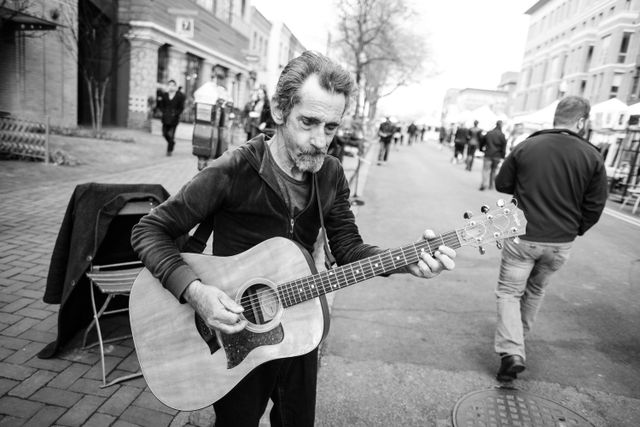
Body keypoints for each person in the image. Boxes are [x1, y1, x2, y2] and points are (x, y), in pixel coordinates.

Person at [130, 51, 456, 427]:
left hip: (300, 325)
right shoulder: (233, 170)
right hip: (233, 332)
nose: (320, 141)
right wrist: (197, 293)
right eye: (309, 122)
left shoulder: (330, 174)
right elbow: (148, 230)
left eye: (331, 128)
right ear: (279, 110)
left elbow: (347, 247)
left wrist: (405, 261)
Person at [492, 96, 608, 382]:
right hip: (560, 242)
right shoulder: (592, 155)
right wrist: (575, 229)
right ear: (581, 121)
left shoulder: (528, 146)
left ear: (555, 117)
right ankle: (518, 344)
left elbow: (502, 183)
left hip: (523, 236)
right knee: (534, 292)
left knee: (509, 292)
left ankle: (512, 352)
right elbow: (595, 205)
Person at [158, 79, 186, 156]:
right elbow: (161, 105)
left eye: (173, 85)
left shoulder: (179, 96)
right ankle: (172, 142)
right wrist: (164, 111)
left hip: (174, 119)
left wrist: (176, 113)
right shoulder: (165, 95)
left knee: (171, 135)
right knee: (164, 133)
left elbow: (181, 108)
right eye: (169, 85)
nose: (171, 87)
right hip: (165, 118)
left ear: (175, 86)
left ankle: (169, 150)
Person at [479, 120, 507, 190]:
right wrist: (503, 156)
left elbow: (482, 141)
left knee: (486, 170)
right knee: (493, 170)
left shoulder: (489, 133)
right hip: (497, 155)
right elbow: (504, 147)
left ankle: (484, 184)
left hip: (488, 154)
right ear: (501, 125)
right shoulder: (502, 135)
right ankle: (491, 185)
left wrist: (481, 149)